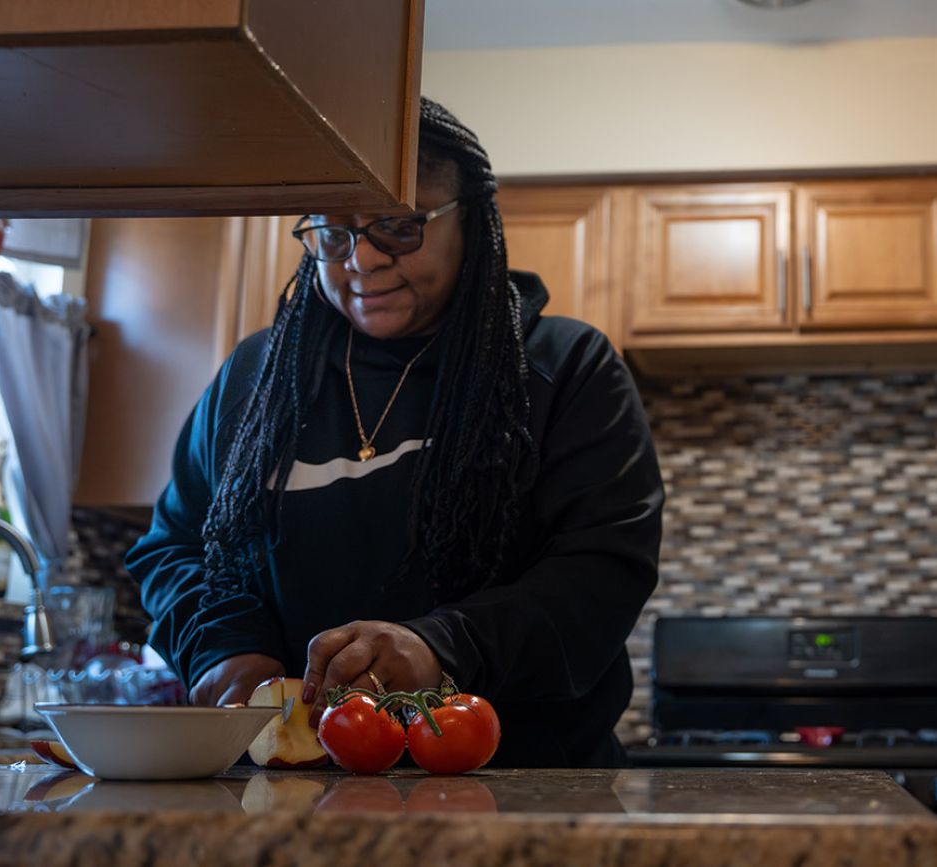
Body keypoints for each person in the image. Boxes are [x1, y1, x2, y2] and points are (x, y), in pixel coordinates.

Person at [126, 98, 664, 767]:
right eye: (333, 234)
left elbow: (603, 570)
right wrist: (227, 649)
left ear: (470, 218)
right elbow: (173, 547)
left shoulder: (563, 367)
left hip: (529, 785)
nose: (365, 261)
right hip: (286, 787)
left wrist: (441, 647)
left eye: (399, 226)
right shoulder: (256, 379)